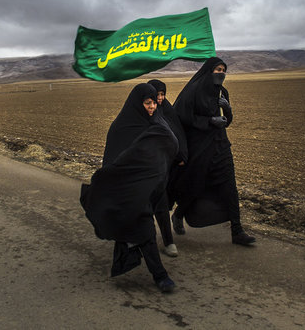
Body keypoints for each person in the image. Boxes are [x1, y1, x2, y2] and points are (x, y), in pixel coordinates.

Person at [80, 83, 178, 292]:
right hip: (125, 189)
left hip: (149, 188)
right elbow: (112, 159)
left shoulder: (155, 124)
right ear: (137, 103)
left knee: (134, 228)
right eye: (147, 102)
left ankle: (130, 249)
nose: (152, 107)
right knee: (144, 228)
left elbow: (166, 147)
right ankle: (160, 275)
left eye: (153, 103)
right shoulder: (121, 127)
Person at [170, 57, 256, 246]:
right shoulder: (193, 90)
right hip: (200, 149)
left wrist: (228, 111)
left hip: (221, 147)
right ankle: (179, 214)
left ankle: (237, 231)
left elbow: (226, 122)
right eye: (217, 69)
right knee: (196, 186)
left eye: (223, 70)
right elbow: (182, 116)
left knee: (230, 188)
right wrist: (208, 121)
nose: (221, 73)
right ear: (209, 71)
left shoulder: (222, 92)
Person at [147, 79, 189, 258]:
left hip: (168, 166)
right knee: (155, 204)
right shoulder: (143, 113)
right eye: (157, 95)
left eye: (163, 94)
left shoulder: (167, 110)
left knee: (164, 202)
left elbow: (178, 133)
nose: (161, 98)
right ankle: (165, 241)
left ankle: (169, 237)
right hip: (149, 167)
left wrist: (181, 155)